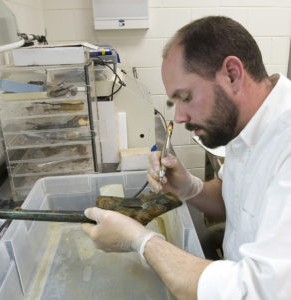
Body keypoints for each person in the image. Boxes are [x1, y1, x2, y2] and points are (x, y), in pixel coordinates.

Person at [82, 16, 291, 299]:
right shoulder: (244, 126)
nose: (179, 117)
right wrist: (189, 188)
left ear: (232, 74)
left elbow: (256, 290)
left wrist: (140, 241)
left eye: (186, 97)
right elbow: (237, 203)